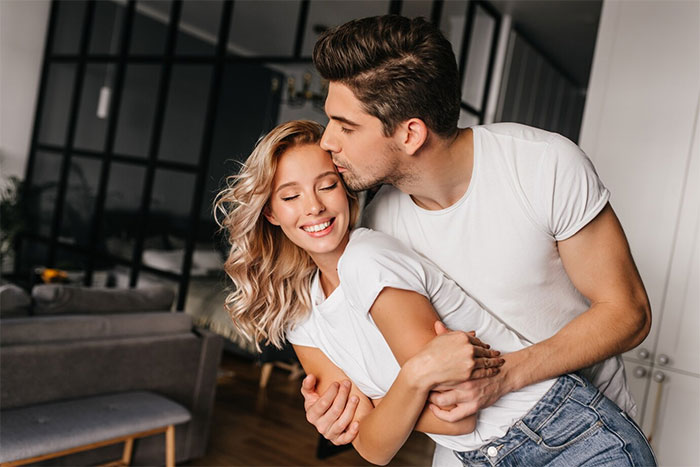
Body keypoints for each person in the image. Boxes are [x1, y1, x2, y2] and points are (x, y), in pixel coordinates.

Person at [301, 14, 653, 466]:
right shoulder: (376, 226)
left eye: (346, 127)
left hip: (581, 437)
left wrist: (505, 377)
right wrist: (342, 408)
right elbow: (395, 368)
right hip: (468, 451)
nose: (327, 141)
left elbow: (629, 313)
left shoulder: (542, 166)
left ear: (410, 133)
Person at [215, 120, 656, 466]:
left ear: (346, 191)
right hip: (480, 455)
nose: (313, 206)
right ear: (270, 211)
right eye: (290, 196)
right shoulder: (300, 315)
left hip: (564, 433)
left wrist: (376, 408)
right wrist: (411, 381)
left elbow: (454, 414)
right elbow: (373, 449)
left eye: (326, 185)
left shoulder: (369, 259)